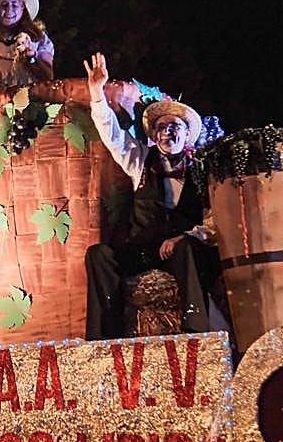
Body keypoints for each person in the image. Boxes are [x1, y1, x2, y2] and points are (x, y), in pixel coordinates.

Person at [82, 52, 223, 340]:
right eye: (160, 127)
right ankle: (103, 339)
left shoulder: (202, 171)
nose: (166, 132)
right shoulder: (141, 161)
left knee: (189, 251)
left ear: (187, 136)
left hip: (184, 251)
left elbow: (215, 222)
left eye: (174, 127)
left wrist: (187, 237)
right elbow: (113, 136)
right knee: (99, 255)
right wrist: (97, 94)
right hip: (144, 249)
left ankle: (196, 334)